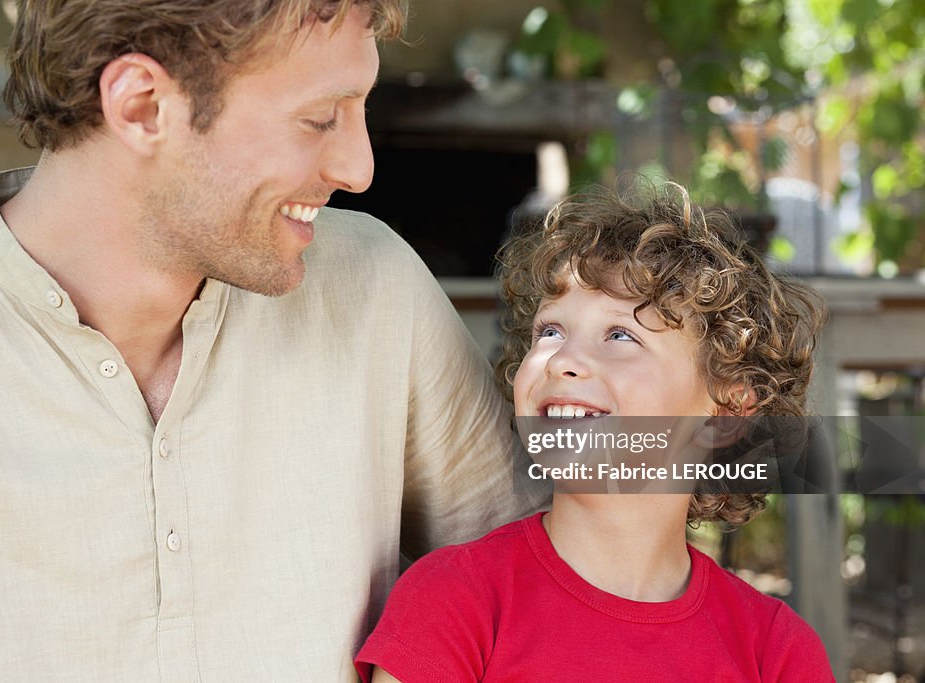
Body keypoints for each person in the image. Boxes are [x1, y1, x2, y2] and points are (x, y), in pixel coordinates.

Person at [0, 1, 548, 680]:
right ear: (144, 106)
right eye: (320, 117)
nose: (360, 169)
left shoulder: (375, 289)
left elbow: (564, 589)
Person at [356, 183, 835, 681]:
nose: (562, 360)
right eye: (550, 331)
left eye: (620, 335)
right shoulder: (453, 600)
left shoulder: (777, 651)